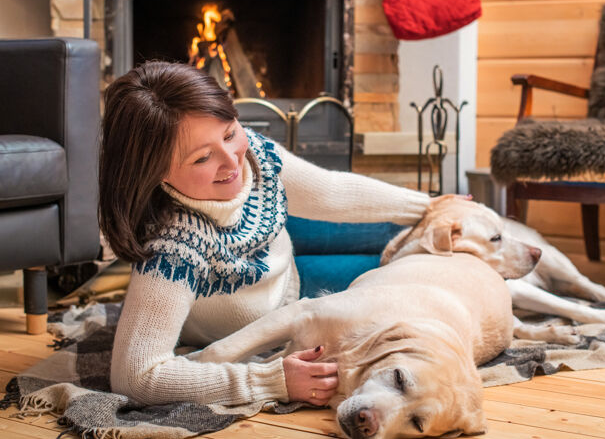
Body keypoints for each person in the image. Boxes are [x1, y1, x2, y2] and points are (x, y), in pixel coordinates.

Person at [99, 61, 431, 408]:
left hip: (280, 254)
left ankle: (475, 226)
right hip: (285, 303)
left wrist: (430, 204)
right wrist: (270, 380)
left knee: (418, 224)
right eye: (202, 159)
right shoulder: (173, 252)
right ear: (157, 174)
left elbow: (330, 192)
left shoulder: (252, 155)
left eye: (229, 134)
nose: (231, 162)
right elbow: (135, 377)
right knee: (405, 267)